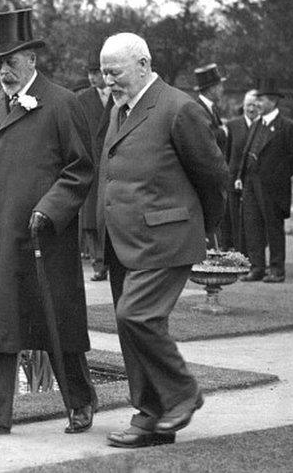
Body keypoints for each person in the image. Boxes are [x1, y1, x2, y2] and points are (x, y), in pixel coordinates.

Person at [0, 8, 97, 437]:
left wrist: (49, 210)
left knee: (56, 321)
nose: (4, 71)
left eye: (11, 61)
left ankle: (80, 401)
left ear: (32, 59)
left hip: (43, 236)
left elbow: (81, 169)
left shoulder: (63, 103)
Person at [96, 33, 227, 448]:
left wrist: (197, 228)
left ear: (143, 65)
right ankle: (150, 416)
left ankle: (183, 394)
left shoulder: (178, 107)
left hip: (166, 237)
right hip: (125, 241)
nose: (107, 81)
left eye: (114, 72)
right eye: (103, 73)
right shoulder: (121, 109)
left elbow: (214, 176)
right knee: (131, 325)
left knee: (136, 316)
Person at [236, 78, 293, 283]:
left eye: (260, 100)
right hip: (251, 184)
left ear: (271, 101)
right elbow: (248, 152)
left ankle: (277, 270)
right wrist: (240, 177)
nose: (257, 104)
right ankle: (257, 268)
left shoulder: (287, 127)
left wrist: (278, 177)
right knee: (252, 226)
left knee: (273, 228)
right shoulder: (257, 124)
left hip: (273, 187)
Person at [76, 48, 114, 281]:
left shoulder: (119, 96)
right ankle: (98, 262)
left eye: (95, 72)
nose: (91, 77)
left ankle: (110, 259)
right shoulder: (82, 99)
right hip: (91, 163)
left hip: (110, 163)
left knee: (108, 215)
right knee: (90, 218)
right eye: (89, 73)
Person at [193, 63, 229, 248]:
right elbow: (203, 137)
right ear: (212, 88)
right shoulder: (198, 109)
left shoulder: (212, 109)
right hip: (206, 175)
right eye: (219, 86)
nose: (222, 89)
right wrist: (223, 132)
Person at [222, 90, 260, 251]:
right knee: (235, 219)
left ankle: (253, 256)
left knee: (254, 222)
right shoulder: (232, 126)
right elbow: (227, 154)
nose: (251, 109)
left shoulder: (262, 126)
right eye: (248, 105)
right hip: (234, 181)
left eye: (255, 105)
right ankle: (238, 253)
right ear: (243, 106)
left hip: (254, 182)